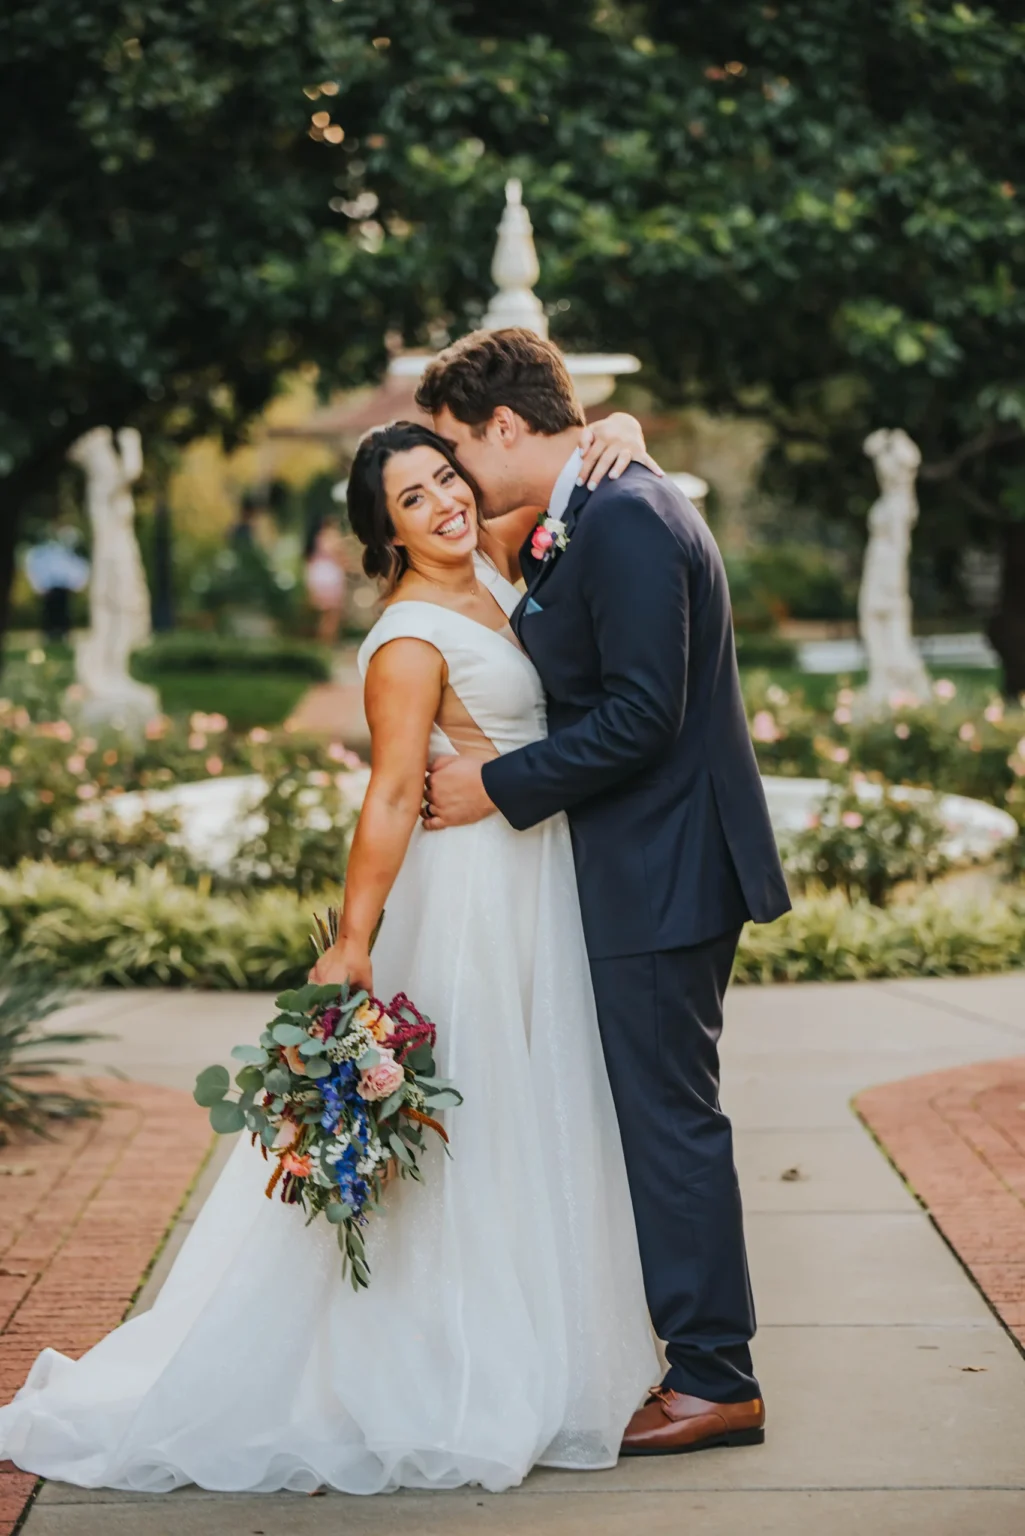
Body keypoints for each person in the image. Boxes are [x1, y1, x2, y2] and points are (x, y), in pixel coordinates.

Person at [0, 413, 662, 1496]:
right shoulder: (406, 637)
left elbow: (551, 481)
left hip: (536, 876)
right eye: (414, 499)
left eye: (446, 477)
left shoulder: (493, 563)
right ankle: (448, 1365)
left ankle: (549, 1339)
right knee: (479, 1120)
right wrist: (351, 944)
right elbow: (393, 792)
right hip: (471, 895)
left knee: (538, 1109)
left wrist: (612, 426)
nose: (446, 500)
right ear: (385, 534)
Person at [415, 328, 792, 1456]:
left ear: (504, 428)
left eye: (454, 452)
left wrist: (493, 784)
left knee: (668, 1123)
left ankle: (714, 1376)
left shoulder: (625, 514)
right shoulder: (602, 495)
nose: (455, 480)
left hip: (662, 865)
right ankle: (693, 1357)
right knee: (658, 1116)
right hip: (651, 859)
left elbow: (641, 713)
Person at [23, 525, 90, 643]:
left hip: (63, 587)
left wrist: (76, 584)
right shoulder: (44, 552)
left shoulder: (66, 553)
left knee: (64, 613)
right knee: (49, 613)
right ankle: (49, 635)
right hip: (50, 587)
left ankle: (63, 634)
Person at [303, 515, 349, 643]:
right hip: (330, 576)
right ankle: (326, 643)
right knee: (331, 615)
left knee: (322, 616)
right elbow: (338, 554)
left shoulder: (315, 538)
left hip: (317, 574)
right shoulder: (331, 536)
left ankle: (321, 643)